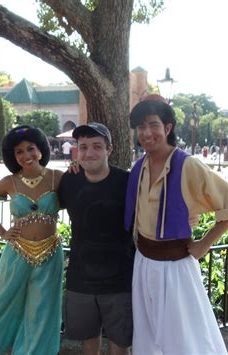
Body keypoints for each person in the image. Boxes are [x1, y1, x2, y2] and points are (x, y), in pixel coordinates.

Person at [125, 95, 228, 354]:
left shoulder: (187, 165)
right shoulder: (139, 167)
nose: (146, 133)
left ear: (167, 128)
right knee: (147, 336)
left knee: (182, 338)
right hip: (143, 262)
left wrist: (204, 244)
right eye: (141, 127)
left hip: (175, 268)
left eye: (153, 125)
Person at [0, 125, 64, 355]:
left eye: (30, 149)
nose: (26, 155)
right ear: (13, 156)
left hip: (50, 255)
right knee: (3, 302)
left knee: (42, 309)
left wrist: (80, 168)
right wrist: (2, 233)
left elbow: (82, 194)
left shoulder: (57, 178)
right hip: (17, 253)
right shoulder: (8, 182)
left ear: (40, 150)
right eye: (19, 152)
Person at [58, 123, 134, 355]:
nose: (89, 153)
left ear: (109, 150)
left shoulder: (126, 182)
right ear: (77, 151)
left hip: (120, 279)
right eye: (83, 147)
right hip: (81, 278)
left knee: (120, 342)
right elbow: (41, 204)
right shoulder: (69, 181)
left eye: (97, 146)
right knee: (88, 341)